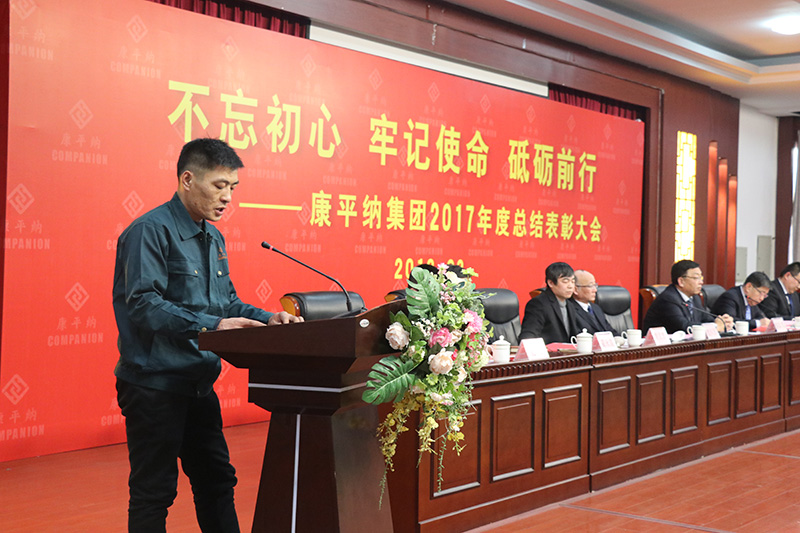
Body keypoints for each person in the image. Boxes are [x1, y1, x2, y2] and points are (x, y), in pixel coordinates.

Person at [112, 138, 303, 532]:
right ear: (187, 180)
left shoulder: (213, 237)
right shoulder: (149, 231)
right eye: (219, 185)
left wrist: (270, 319)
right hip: (154, 385)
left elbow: (226, 303)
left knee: (217, 481)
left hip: (198, 384)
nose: (228, 197)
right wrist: (212, 326)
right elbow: (143, 305)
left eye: (233, 187)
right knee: (154, 492)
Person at [642, 259, 733, 334]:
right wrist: (715, 326)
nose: (701, 282)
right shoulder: (668, 299)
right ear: (681, 281)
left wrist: (722, 321)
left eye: (701, 278)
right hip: (661, 347)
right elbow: (683, 326)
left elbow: (706, 318)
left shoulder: (695, 297)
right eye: (696, 278)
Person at [520, 262, 580, 344]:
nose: (570, 286)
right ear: (551, 283)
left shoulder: (570, 305)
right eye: (565, 281)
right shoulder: (538, 304)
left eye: (573, 282)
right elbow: (529, 336)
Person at [572, 269, 618, 336]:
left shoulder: (596, 308)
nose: (595, 290)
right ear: (576, 290)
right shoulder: (570, 310)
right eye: (590, 286)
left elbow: (610, 331)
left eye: (595, 285)